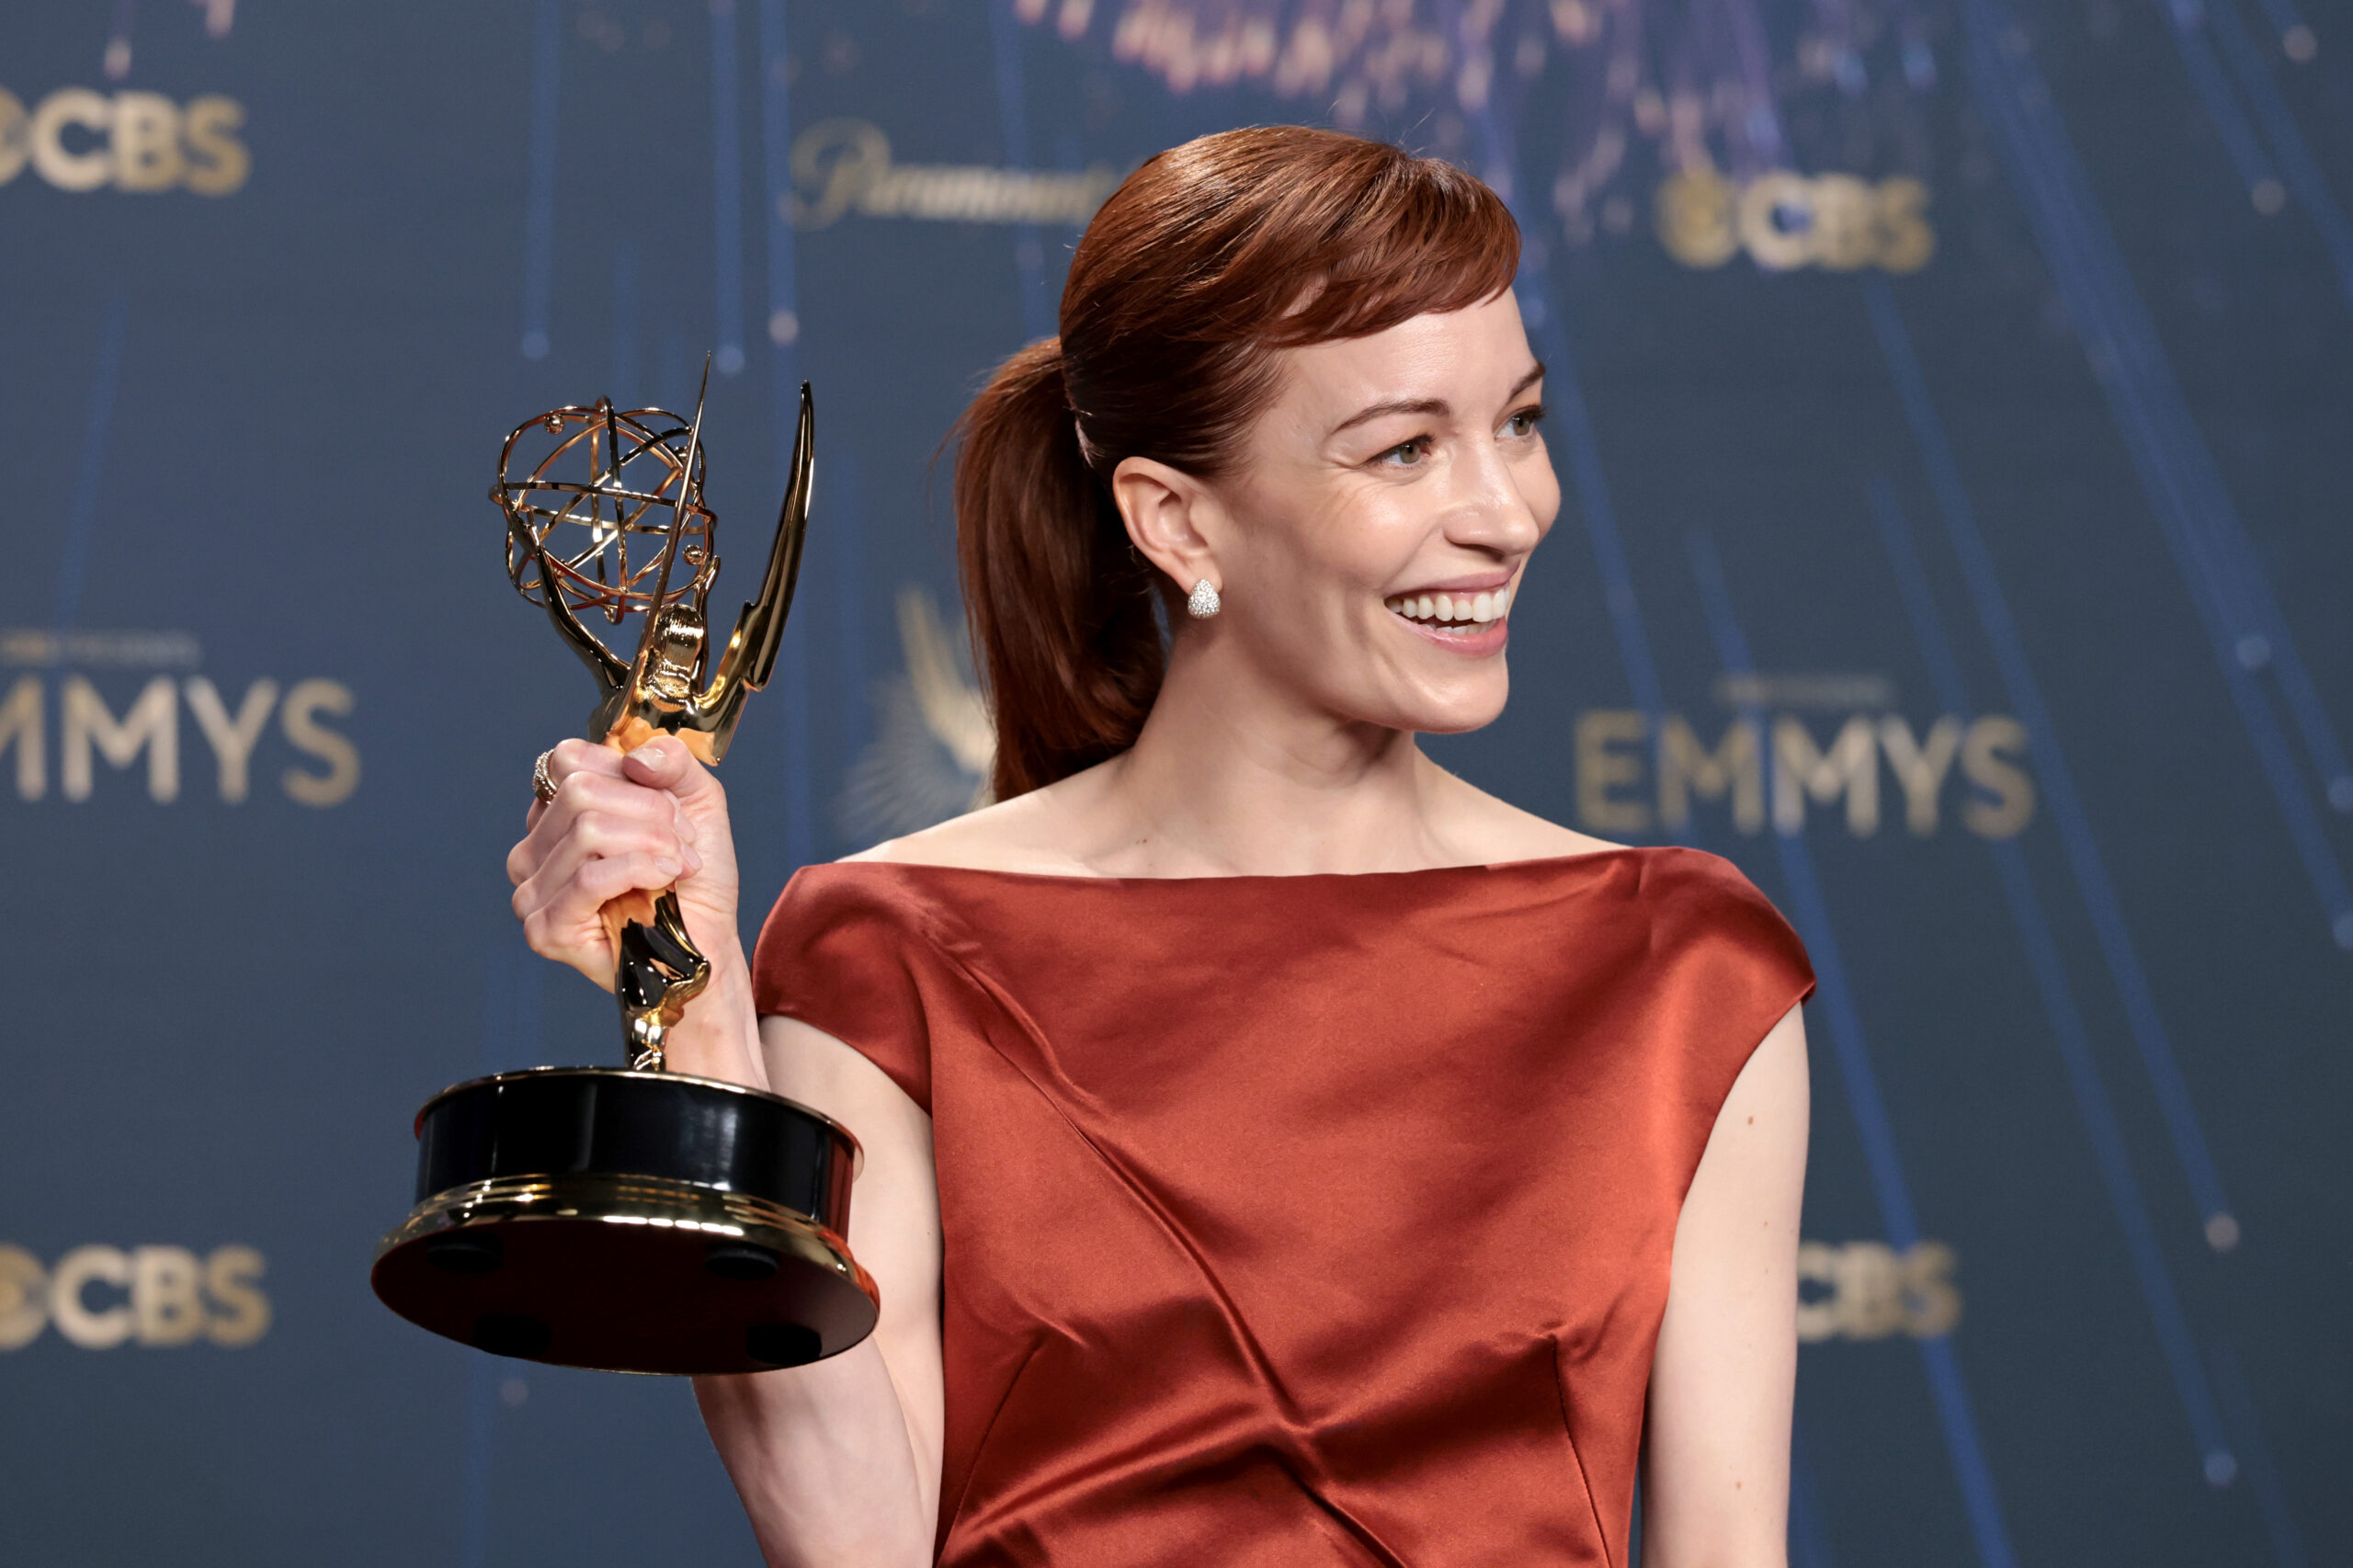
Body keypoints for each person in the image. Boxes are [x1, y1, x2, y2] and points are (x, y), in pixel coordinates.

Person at [506, 125, 1814, 1568]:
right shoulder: (888, 950)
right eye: (1407, 449)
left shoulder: (1682, 967)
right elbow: (858, 1541)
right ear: (1178, 521)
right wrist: (689, 1003)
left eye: (1519, 420)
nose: (1508, 513)